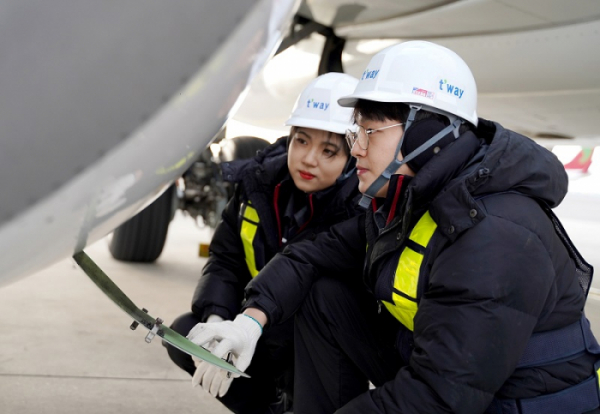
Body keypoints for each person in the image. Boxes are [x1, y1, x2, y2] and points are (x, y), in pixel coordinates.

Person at [187, 41, 600, 413]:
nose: (357, 149)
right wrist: (249, 320)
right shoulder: (410, 201)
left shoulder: (495, 234)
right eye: (356, 132)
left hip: (516, 400)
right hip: (448, 374)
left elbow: (440, 398)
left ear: (428, 134)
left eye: (370, 132)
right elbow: (311, 253)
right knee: (324, 295)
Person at [165, 72, 362, 413]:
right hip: (262, 325)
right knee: (187, 335)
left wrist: (250, 323)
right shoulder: (258, 186)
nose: (309, 158)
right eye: (301, 141)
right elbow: (226, 258)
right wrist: (217, 321)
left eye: (328, 150)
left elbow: (307, 266)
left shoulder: (357, 207)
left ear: (351, 160)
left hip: (315, 340)